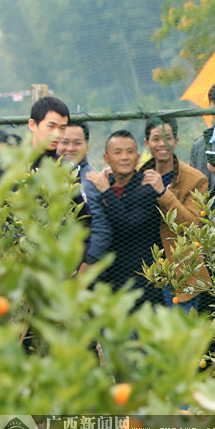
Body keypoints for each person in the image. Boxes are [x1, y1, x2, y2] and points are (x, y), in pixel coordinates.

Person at [139, 116, 211, 312]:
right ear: (147, 143)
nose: (162, 144)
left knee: (181, 338)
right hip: (146, 274)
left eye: (168, 138)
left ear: (176, 142)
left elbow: (193, 226)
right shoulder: (138, 176)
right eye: (155, 139)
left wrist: (163, 192)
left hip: (181, 275)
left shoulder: (195, 180)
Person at [86, 130, 163, 309]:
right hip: (109, 280)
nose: (124, 157)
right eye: (118, 152)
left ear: (137, 157)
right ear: (106, 158)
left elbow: (127, 224)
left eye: (130, 152)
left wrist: (106, 191)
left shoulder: (146, 188)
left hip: (141, 282)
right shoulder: (107, 184)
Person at [54, 120, 112, 272]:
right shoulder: (49, 177)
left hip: (83, 269)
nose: (70, 148)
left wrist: (85, 267)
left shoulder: (92, 181)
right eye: (64, 142)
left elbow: (101, 230)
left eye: (77, 143)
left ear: (87, 147)